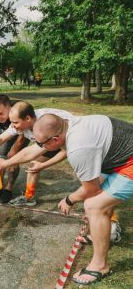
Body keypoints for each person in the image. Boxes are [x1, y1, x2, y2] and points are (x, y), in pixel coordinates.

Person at [33, 114, 133, 285]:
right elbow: (97, 181)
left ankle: (100, 266)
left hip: (129, 161)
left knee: (94, 206)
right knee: (99, 198)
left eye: (40, 144)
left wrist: (69, 199)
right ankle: (104, 235)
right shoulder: (74, 123)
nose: (39, 146)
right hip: (122, 157)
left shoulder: (78, 148)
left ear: (55, 140)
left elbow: (91, 189)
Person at [0, 101, 77, 206]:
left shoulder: (45, 126)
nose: (12, 126)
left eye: (15, 123)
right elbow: (1, 138)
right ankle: (29, 197)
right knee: (34, 165)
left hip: (71, 139)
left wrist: (43, 165)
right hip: (52, 140)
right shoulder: (23, 121)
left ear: (28, 118)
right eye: (11, 122)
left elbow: (63, 150)